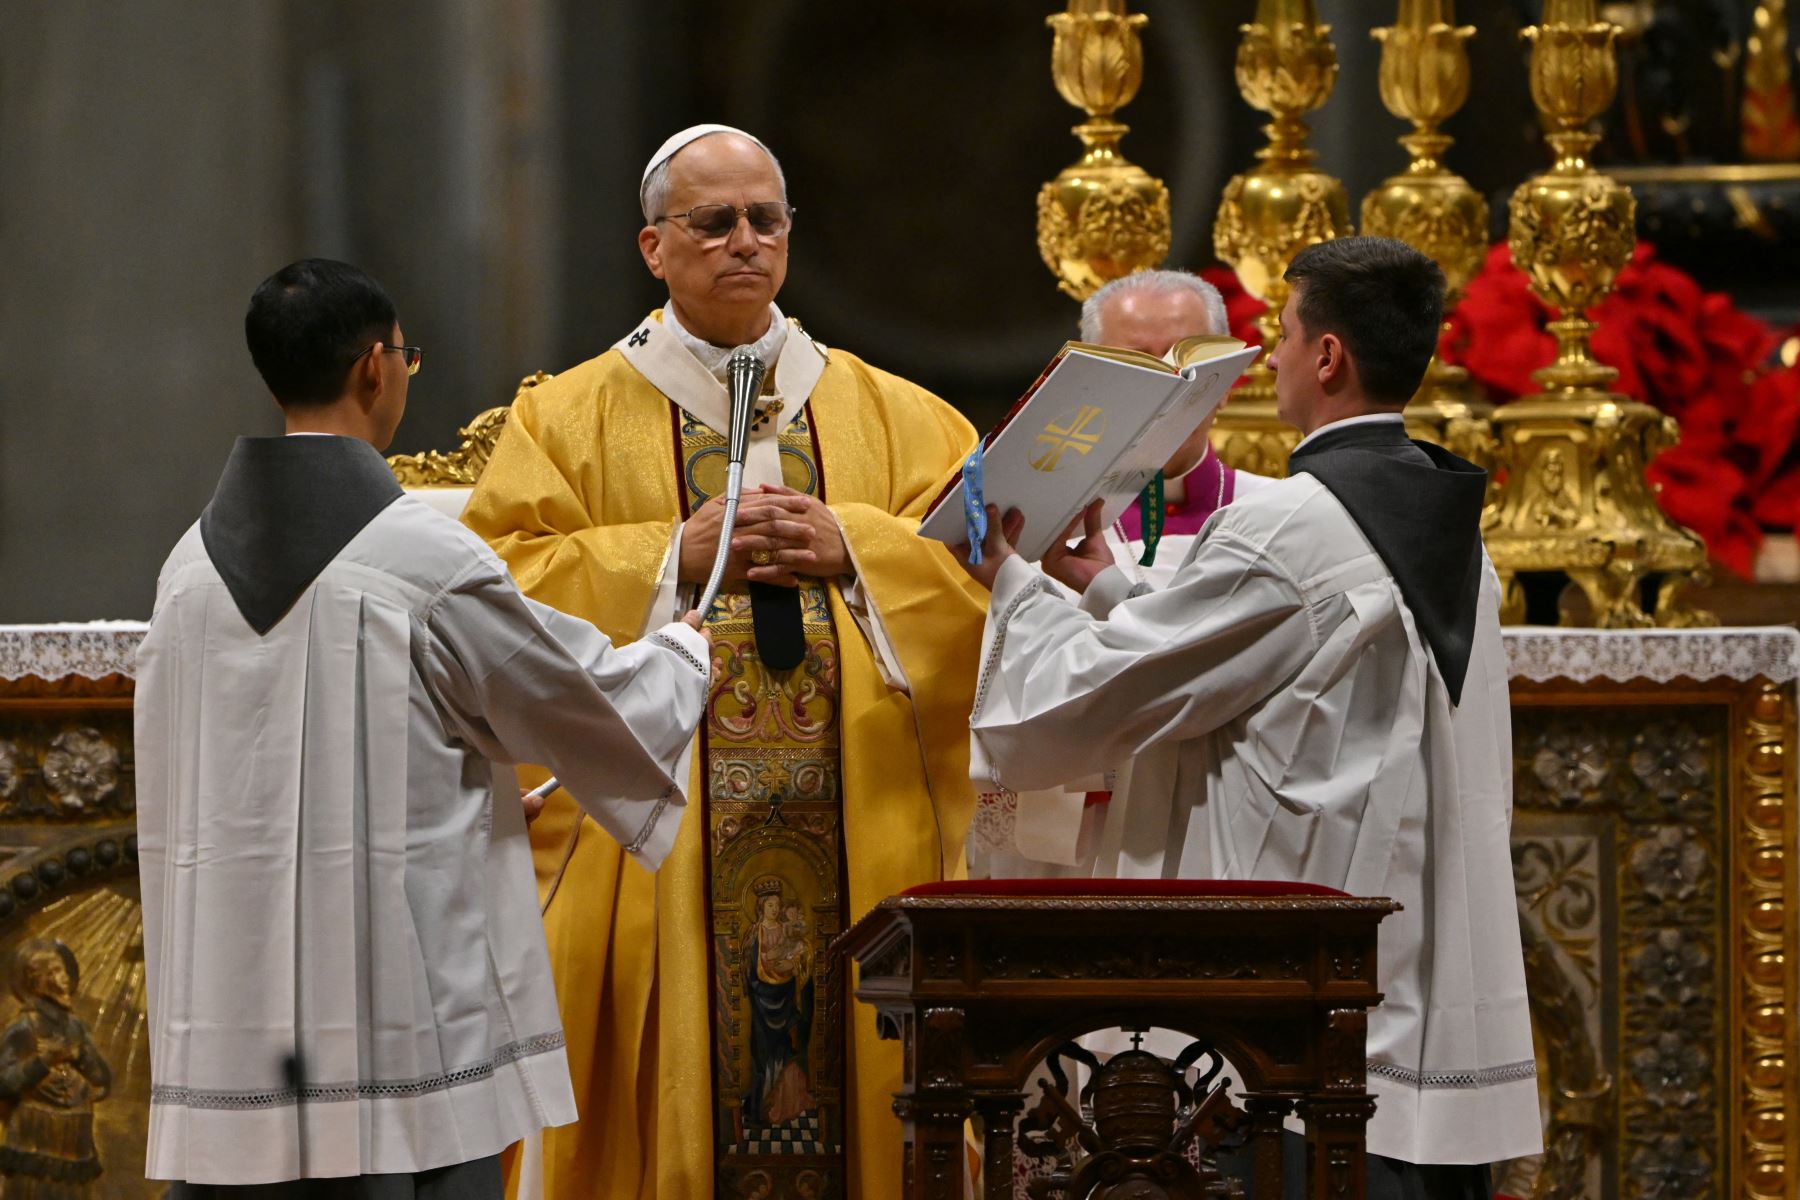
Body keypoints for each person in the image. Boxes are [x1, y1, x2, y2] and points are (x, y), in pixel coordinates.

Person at [460, 125, 989, 1198]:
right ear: (653, 248)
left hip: (865, 818)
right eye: (714, 223)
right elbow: (492, 591)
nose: (745, 241)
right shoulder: (563, 419)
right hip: (656, 836)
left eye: (766, 220)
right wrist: (664, 554)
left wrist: (861, 550)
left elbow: (990, 586)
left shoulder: (904, 415)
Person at [956, 237, 1540, 1196]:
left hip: (1292, 1007)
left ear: (1327, 357)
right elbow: (1240, 656)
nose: (1266, 361)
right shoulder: (1440, 521)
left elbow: (1106, 692)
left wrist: (1011, 584)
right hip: (1406, 965)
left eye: (1281, 336)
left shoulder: (1294, 524)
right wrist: (1106, 587)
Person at [134, 259, 712, 1196]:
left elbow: (234, 787)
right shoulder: (419, 557)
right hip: (393, 1011)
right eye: (408, 357)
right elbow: (575, 699)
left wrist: (464, 803)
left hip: (235, 1013)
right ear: (376, 367)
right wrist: (681, 656)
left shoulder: (187, 571)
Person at [970, 270, 1275, 879]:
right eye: (1136, 371)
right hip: (1056, 850)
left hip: (1213, 835)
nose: (1164, 393)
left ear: (1224, 384)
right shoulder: (1026, 521)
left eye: (1183, 367)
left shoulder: (1275, 520)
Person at [0, 939, 112, 1199]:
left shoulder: (75, 1027)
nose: (63, 979)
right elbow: (3, 1081)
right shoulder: (24, 1027)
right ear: (35, 982)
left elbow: (102, 1080)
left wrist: (80, 1055)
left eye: (62, 971)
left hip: (73, 1133)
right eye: (53, 972)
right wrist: (42, 1062)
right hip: (35, 1132)